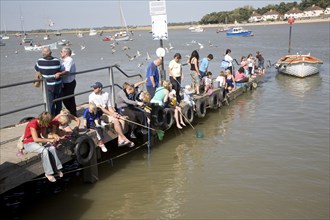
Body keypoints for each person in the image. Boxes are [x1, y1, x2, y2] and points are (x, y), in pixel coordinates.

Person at [88, 82, 134, 147]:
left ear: (100, 88)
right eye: (93, 88)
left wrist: (114, 113)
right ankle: (124, 138)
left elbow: (109, 107)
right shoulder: (91, 96)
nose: (93, 89)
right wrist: (112, 115)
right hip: (98, 115)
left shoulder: (106, 94)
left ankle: (120, 139)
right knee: (115, 120)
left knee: (122, 119)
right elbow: (101, 108)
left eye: (95, 88)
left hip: (106, 112)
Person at [22, 111, 63, 182]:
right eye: (47, 123)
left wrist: (54, 136)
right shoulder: (33, 124)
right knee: (44, 151)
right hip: (29, 143)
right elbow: (36, 139)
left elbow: (44, 135)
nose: (47, 125)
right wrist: (49, 140)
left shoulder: (43, 124)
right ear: (43, 121)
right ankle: (48, 173)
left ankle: (57, 168)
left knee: (52, 148)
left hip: (38, 142)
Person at [35, 47, 63, 116]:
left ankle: (51, 117)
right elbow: (60, 69)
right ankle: (59, 116)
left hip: (47, 85)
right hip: (57, 84)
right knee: (58, 102)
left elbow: (37, 69)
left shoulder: (39, 61)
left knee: (50, 103)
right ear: (51, 53)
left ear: (43, 54)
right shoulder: (57, 60)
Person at [55, 47, 77, 116]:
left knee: (68, 99)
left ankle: (73, 114)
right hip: (66, 82)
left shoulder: (69, 60)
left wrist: (59, 74)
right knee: (66, 99)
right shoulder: (64, 60)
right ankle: (72, 113)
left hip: (69, 82)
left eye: (61, 51)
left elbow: (67, 71)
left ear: (66, 53)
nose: (60, 53)